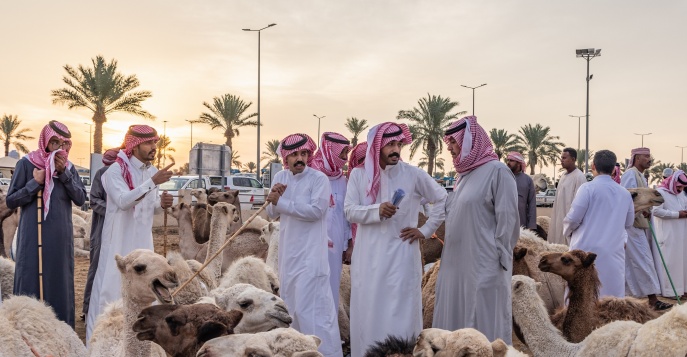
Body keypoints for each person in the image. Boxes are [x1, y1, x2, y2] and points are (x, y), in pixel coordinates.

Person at [344, 123, 447, 357]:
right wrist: (376, 210)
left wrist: (425, 229)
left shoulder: (412, 174)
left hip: (402, 257)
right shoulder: (359, 176)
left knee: (401, 313)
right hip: (369, 258)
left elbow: (441, 199)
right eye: (390, 144)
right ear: (377, 146)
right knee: (369, 312)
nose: (396, 149)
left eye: (399, 144)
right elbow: (349, 211)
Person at [432, 116, 519, 343]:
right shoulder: (462, 177)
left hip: (484, 267)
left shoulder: (497, 171)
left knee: (483, 328)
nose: (449, 147)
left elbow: (508, 222)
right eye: (448, 142)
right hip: (456, 267)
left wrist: (498, 259)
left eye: (453, 141)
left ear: (470, 141)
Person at [86, 125, 174, 340]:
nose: (154, 147)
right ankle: (102, 342)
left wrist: (162, 204)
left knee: (144, 290)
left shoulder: (152, 172)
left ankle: (137, 343)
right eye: (149, 143)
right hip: (118, 243)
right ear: (134, 146)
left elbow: (148, 207)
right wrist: (152, 183)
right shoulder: (114, 171)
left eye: (155, 142)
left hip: (143, 244)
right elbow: (124, 201)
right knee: (111, 290)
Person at [266, 133, 342, 357]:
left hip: (311, 259)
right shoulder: (280, 176)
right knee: (292, 310)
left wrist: (282, 202)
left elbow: (316, 211)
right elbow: (271, 213)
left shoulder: (319, 179)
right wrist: (273, 198)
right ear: (286, 157)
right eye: (295, 155)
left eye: (304, 154)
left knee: (315, 313)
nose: (300, 158)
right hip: (289, 257)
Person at [6, 121, 86, 328]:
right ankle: (27, 332)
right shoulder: (27, 164)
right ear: (45, 141)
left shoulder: (68, 168)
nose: (60, 147)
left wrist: (64, 175)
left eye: (64, 143)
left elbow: (80, 198)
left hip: (60, 239)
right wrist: (35, 183)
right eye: (55, 141)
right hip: (33, 238)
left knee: (59, 282)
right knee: (30, 280)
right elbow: (11, 200)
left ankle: (61, 332)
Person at [563, 150, 635, 298]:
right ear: (614, 169)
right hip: (613, 253)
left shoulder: (587, 188)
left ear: (593, 166)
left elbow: (573, 219)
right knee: (611, 300)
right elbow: (628, 223)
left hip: (586, 253)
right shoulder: (624, 193)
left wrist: (568, 233)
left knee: (582, 297)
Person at [621, 147, 670, 310]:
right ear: (636, 158)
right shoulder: (630, 174)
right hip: (632, 226)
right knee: (643, 260)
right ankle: (653, 300)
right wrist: (641, 211)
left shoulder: (640, 175)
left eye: (649, 156)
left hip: (640, 224)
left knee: (637, 262)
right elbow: (628, 199)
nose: (649, 159)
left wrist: (646, 210)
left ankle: (633, 299)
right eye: (646, 156)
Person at [309, 131, 352, 312]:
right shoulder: (312, 175)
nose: (345, 158)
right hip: (311, 242)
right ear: (330, 152)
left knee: (332, 287)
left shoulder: (343, 180)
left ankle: (330, 334)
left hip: (335, 246)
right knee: (312, 286)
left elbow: (347, 216)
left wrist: (348, 244)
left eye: (346, 154)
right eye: (342, 153)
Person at [81, 148, 118, 319]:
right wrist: (114, 211)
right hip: (102, 229)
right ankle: (88, 308)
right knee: (96, 268)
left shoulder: (125, 175)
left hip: (120, 230)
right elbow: (94, 200)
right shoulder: (102, 174)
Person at [652, 170, 687, 300]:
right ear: (673, 182)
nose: (681, 189)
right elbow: (656, 211)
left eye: (683, 187)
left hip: (681, 234)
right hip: (667, 234)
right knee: (669, 262)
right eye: (679, 186)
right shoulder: (661, 193)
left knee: (682, 262)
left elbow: (683, 204)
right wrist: (677, 214)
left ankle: (682, 289)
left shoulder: (681, 194)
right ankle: (669, 291)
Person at [549, 148, 587, 245]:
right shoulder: (563, 176)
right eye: (561, 158)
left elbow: (580, 204)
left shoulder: (579, 177)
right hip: (559, 219)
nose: (562, 160)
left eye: (564, 158)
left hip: (570, 224)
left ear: (573, 159)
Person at [344, 141, 367, 264]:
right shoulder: (353, 179)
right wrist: (350, 244)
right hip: (357, 240)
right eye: (361, 159)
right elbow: (349, 216)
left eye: (367, 159)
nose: (364, 163)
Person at [506, 151, 537, 231]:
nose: (508, 163)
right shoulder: (503, 178)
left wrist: (531, 225)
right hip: (504, 222)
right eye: (508, 160)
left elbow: (532, 204)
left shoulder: (528, 180)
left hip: (521, 222)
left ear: (519, 163)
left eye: (511, 161)